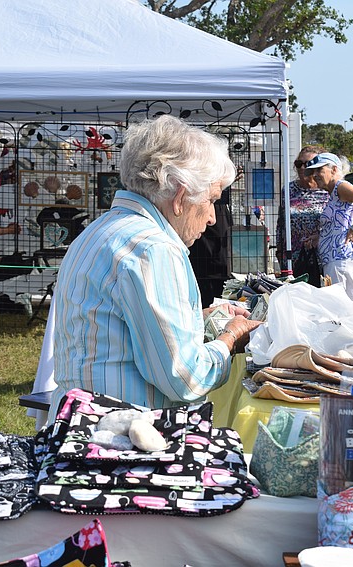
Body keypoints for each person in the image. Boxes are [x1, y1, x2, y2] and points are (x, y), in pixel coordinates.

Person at [48, 115, 261, 418]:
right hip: (123, 440)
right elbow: (184, 378)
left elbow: (121, 331)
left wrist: (199, 320)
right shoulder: (153, 249)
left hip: (83, 425)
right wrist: (230, 339)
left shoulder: (101, 231)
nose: (212, 217)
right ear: (180, 197)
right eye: (212, 200)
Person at [304, 153, 353, 302]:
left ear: (334, 169)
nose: (315, 176)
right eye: (312, 172)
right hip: (337, 261)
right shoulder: (334, 192)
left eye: (319, 170)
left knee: (340, 312)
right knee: (338, 313)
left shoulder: (342, 187)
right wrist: (321, 237)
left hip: (343, 261)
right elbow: (340, 222)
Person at [275, 145, 328, 285]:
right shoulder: (289, 190)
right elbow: (281, 223)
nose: (303, 168)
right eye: (299, 164)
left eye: (308, 164)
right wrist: (279, 251)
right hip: (294, 255)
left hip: (321, 253)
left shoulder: (328, 190)